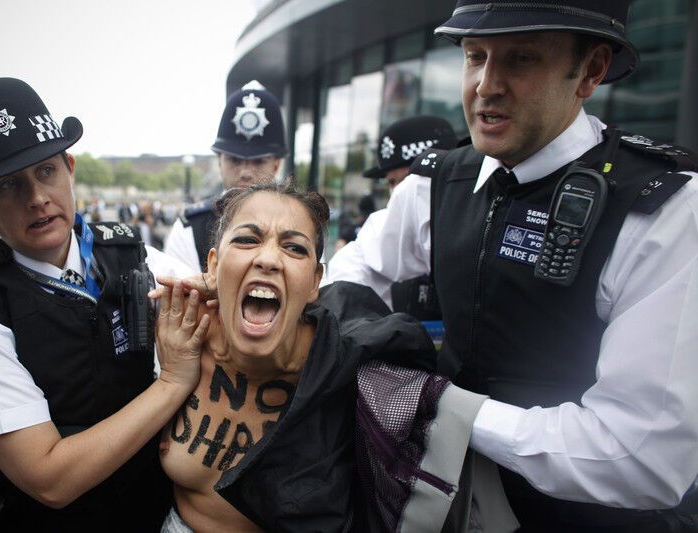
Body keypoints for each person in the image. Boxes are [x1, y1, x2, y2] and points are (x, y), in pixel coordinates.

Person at [351, 1, 698, 530]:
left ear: (591, 70)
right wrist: (374, 352)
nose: (486, 85)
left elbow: (642, 458)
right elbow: (354, 267)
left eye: (521, 59)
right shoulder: (436, 182)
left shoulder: (666, 209)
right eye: (474, 56)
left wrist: (447, 409)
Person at [0, 77, 200, 532]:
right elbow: (50, 479)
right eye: (8, 185)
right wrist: (172, 383)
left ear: (69, 167)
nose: (37, 199)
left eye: (46, 172)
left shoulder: (131, 254)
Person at [154, 181, 503, 532]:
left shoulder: (348, 366)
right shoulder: (180, 335)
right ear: (211, 266)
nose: (269, 259)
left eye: (294, 248)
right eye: (247, 239)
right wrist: (170, 380)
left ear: (313, 283)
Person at [325, 115, 457, 311]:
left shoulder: (472, 214)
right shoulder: (382, 231)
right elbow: (353, 269)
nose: (397, 194)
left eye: (404, 182)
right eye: (391, 183)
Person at [165, 81, 287, 274]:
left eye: (258, 162)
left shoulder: (300, 222)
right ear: (219, 161)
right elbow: (180, 297)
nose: (245, 172)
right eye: (234, 160)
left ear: (277, 164)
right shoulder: (190, 228)